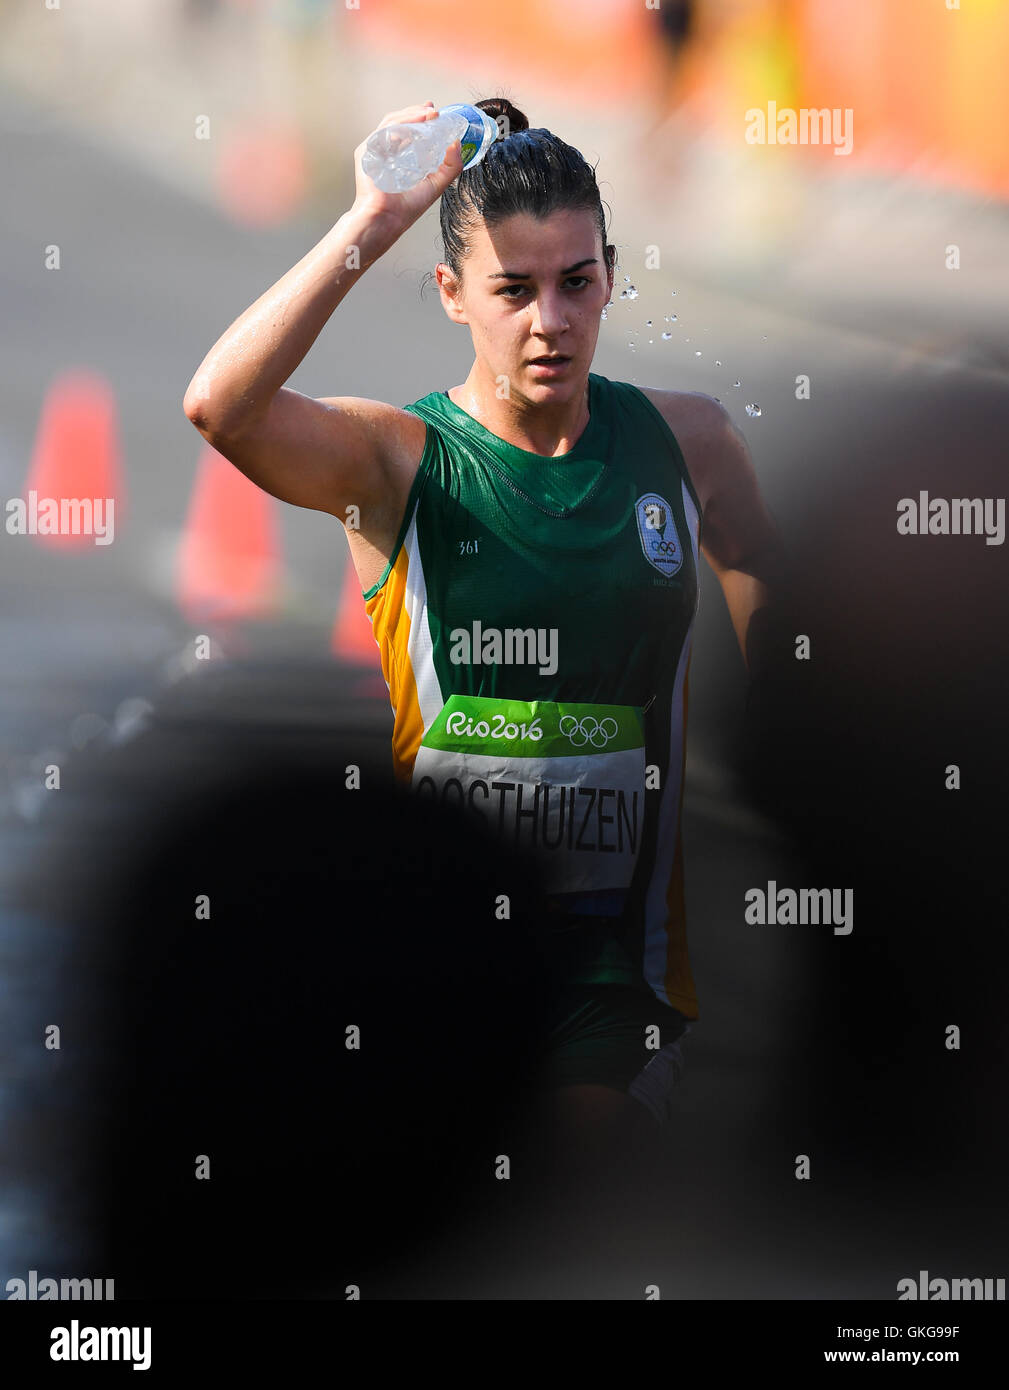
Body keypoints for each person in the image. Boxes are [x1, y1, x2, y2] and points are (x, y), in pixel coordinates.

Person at [183, 95, 784, 1181]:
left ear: (609, 273)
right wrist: (372, 219)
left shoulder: (691, 446)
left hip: (620, 983)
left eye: (576, 282)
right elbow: (220, 406)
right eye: (512, 290)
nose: (549, 320)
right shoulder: (396, 462)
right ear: (453, 294)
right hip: (437, 972)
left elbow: (783, 629)